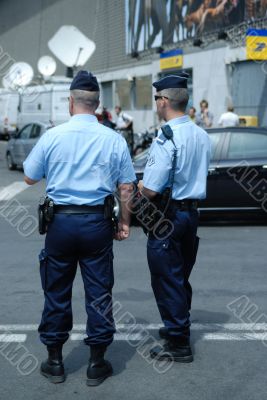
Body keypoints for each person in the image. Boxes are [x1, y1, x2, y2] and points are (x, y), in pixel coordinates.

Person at [23, 71, 136, 386]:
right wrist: (124, 223)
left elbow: (30, 177)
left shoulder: (52, 136)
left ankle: (55, 361)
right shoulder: (113, 138)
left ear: (70, 102)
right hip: (97, 223)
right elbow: (126, 188)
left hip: (60, 222)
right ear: (98, 104)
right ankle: (97, 364)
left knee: (56, 290)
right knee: (99, 291)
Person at [139, 74, 211, 363]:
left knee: (166, 278)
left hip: (168, 216)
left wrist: (138, 187)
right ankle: (177, 327)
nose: (157, 103)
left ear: (164, 101)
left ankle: (179, 342)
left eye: (157, 98)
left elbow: (152, 189)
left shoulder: (166, 136)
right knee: (179, 276)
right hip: (191, 214)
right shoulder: (202, 134)